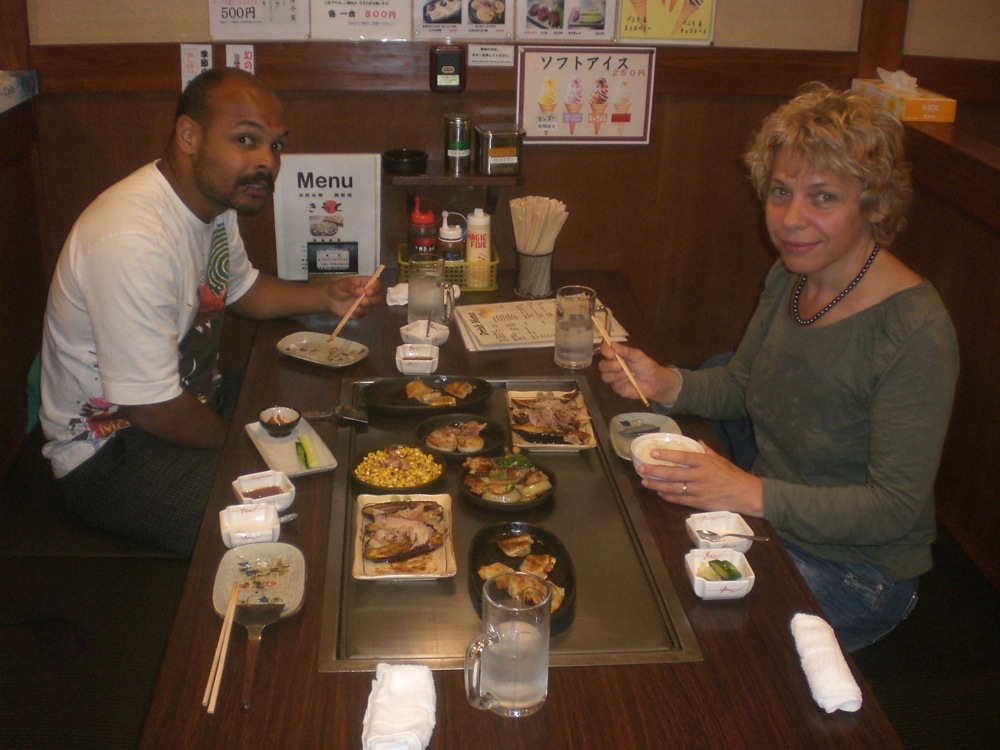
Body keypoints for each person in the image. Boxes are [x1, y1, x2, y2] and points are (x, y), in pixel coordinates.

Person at [599, 83, 959, 652]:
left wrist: (748, 493)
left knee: (696, 639)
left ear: (875, 203)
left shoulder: (915, 331)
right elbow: (745, 384)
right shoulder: (792, 278)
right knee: (630, 566)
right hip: (769, 524)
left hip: (856, 572)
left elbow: (894, 509)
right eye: (781, 191)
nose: (791, 220)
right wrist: (667, 382)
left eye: (823, 198)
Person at [39, 68, 382, 555]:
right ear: (189, 136)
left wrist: (325, 297)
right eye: (246, 140)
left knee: (342, 420)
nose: (266, 162)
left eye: (276, 147)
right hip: (112, 451)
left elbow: (241, 289)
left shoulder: (213, 205)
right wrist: (254, 449)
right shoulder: (131, 239)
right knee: (295, 521)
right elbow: (151, 408)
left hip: (193, 400)